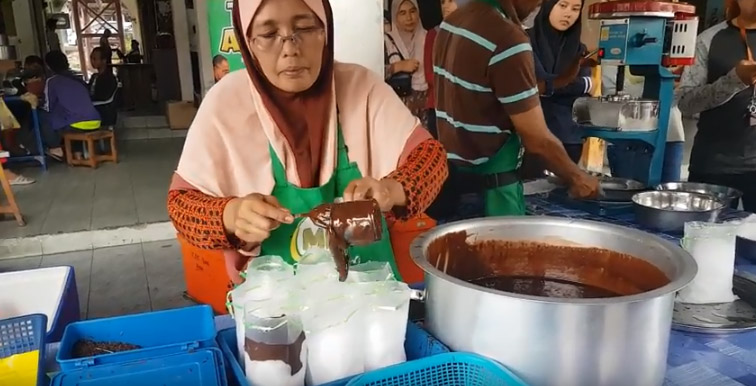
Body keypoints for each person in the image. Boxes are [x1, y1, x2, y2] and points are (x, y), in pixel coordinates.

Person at [167, 0, 448, 284]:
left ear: (326, 30)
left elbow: (431, 160)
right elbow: (181, 206)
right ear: (248, 41)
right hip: (273, 312)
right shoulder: (226, 104)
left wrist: (390, 190)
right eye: (268, 35)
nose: (290, 47)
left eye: (304, 28)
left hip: (369, 305)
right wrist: (231, 214)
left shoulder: (362, 88)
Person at [432, 0, 599, 217]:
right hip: (494, 196)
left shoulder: (451, 23)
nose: (537, 5)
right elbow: (537, 139)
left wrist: (563, 79)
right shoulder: (507, 38)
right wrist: (578, 177)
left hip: (451, 183)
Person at [676, 0, 756, 211]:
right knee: (703, 238)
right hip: (714, 166)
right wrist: (734, 81)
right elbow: (685, 103)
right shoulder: (709, 40)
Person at [527, 0, 593, 165]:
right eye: (562, 5)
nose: (568, 13)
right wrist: (583, 84)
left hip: (570, 137)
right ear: (549, 5)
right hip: (534, 134)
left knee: (565, 188)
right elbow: (534, 84)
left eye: (575, 9)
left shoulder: (579, 48)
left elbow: (548, 87)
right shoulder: (525, 40)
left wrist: (550, 86)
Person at [603, 65, 686, 182]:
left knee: (668, 195)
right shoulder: (618, 54)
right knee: (629, 195)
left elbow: (684, 95)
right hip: (627, 139)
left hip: (670, 136)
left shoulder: (671, 55)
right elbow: (613, 96)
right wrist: (665, 87)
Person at [42, 51, 101, 161]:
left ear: (48, 66)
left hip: (75, 124)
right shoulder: (77, 78)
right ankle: (78, 154)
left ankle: (56, 148)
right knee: (71, 117)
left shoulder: (52, 81)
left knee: (45, 119)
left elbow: (48, 106)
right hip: (95, 120)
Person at [423, 0, 470, 137]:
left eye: (451, 1)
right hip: (438, 107)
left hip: (464, 110)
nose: (445, 6)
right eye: (443, 2)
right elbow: (430, 75)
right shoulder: (434, 34)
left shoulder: (472, 34)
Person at [385, 0, 429, 126]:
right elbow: (375, 72)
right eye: (402, 13)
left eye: (412, 11)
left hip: (425, 109)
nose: (409, 18)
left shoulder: (429, 38)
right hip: (397, 110)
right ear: (394, 15)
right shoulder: (386, 41)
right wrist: (398, 67)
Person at [88, 47, 119, 130]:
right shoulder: (94, 76)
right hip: (94, 107)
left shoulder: (109, 78)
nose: (92, 61)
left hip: (103, 111)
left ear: (104, 60)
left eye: (95, 59)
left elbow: (104, 97)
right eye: (91, 58)